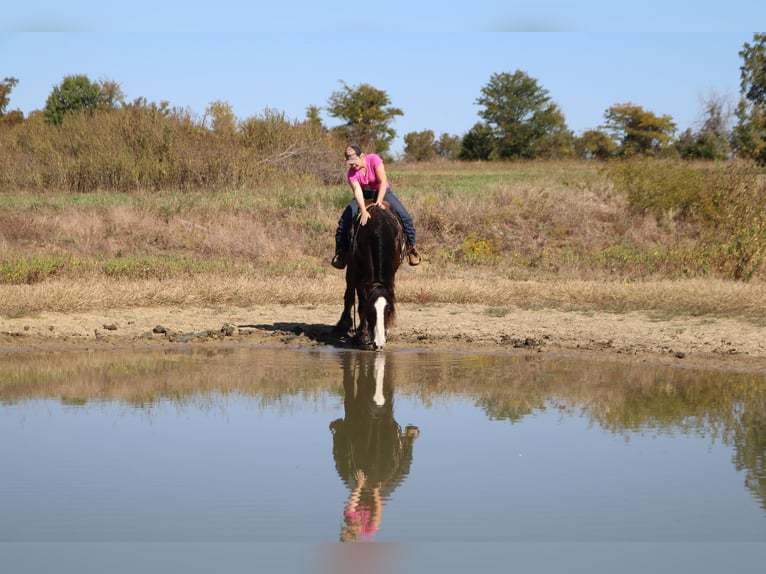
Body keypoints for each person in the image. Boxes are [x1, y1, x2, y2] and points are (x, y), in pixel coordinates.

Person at [332, 145, 421, 269]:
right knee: (344, 221)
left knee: (405, 217)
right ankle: (341, 253)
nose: (352, 165)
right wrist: (363, 210)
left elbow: (383, 181)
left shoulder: (373, 159)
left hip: (383, 193)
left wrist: (379, 201)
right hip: (364, 196)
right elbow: (357, 190)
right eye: (349, 163)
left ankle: (411, 249)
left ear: (362, 156)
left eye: (354, 162)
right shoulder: (352, 173)